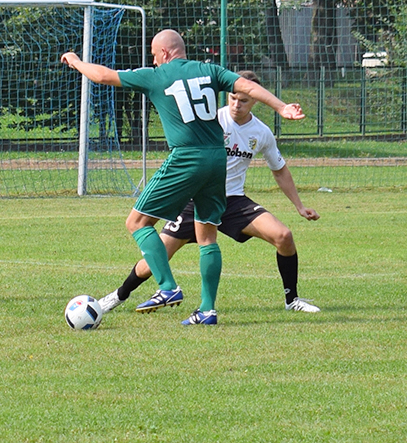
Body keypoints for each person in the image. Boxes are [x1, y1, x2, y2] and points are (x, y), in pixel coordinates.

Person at [61, 30, 305, 325]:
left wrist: (76, 61)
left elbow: (102, 76)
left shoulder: (157, 75)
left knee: (136, 222)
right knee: (206, 236)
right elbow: (248, 87)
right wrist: (281, 107)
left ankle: (167, 287)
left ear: (164, 53)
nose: (152, 60)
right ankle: (206, 311)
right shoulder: (210, 70)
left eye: (153, 54)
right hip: (217, 158)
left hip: (187, 158)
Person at [98, 70, 321, 319]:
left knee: (284, 236)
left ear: (255, 101)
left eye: (244, 100)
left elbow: (279, 170)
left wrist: (299, 206)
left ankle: (292, 300)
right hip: (194, 200)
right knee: (157, 256)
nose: (237, 104)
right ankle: (117, 296)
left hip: (233, 201)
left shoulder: (262, 133)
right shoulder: (211, 120)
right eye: (233, 98)